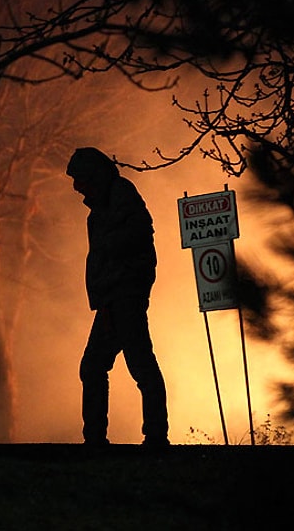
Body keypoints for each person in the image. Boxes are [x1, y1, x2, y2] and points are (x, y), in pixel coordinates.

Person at [66, 147, 169, 446]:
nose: (76, 187)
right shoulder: (103, 208)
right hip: (112, 298)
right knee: (99, 366)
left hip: (125, 297)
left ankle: (153, 438)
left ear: (93, 176)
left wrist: (120, 290)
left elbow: (134, 245)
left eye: (79, 179)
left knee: (137, 365)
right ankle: (98, 439)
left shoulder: (120, 197)